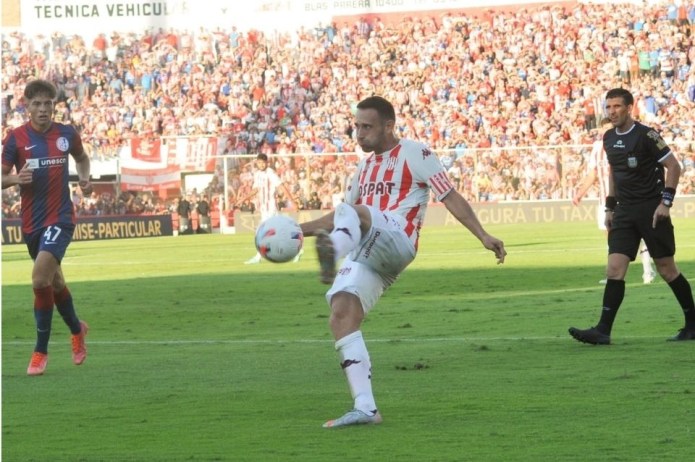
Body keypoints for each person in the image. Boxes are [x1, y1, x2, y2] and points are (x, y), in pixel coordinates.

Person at [298, 96, 507, 428]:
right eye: (356, 126)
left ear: (388, 126)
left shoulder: (415, 154)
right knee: (341, 314)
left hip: (399, 239)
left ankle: (333, 251)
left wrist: (482, 235)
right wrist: (299, 231)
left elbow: (449, 195)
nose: (359, 134)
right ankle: (365, 408)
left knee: (359, 214)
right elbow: (341, 214)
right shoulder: (363, 168)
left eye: (367, 127)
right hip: (368, 248)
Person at [569, 88, 695, 345]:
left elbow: (674, 166)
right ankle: (602, 331)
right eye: (608, 107)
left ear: (629, 108)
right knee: (614, 269)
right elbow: (614, 173)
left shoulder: (646, 135)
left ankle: (692, 324)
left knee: (667, 270)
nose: (612, 111)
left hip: (651, 211)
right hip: (624, 212)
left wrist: (666, 203)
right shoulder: (607, 138)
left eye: (617, 106)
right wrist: (609, 207)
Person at [1, 79, 92, 376]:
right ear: (27, 106)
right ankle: (77, 329)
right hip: (31, 224)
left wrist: (84, 177)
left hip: (61, 218)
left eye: (48, 104)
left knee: (40, 279)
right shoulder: (15, 139)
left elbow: (82, 159)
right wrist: (15, 179)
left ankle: (40, 351)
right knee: (54, 283)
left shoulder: (66, 134)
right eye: (37, 104)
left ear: (54, 106)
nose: (43, 109)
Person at [573, 117, 656, 284]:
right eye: (604, 129)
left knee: (640, 236)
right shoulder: (597, 148)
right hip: (605, 199)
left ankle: (648, 272)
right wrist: (580, 193)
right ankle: (613, 275)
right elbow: (593, 173)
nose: (607, 131)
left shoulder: (626, 144)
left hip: (627, 198)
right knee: (610, 236)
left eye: (609, 128)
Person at [237, 153, 302, 264]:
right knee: (281, 231)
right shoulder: (257, 174)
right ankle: (298, 249)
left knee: (261, 232)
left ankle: (258, 257)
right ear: (257, 163)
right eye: (259, 163)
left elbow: (282, 187)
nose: (261, 165)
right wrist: (244, 199)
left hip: (270, 207)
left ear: (267, 163)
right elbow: (255, 189)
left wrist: (293, 202)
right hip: (263, 208)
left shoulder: (270, 173)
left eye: (263, 162)